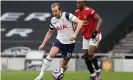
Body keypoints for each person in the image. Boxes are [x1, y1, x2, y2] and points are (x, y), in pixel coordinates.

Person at [35, 3, 83, 80]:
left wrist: (75, 34)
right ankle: (40, 76)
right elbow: (49, 32)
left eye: (56, 11)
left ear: (60, 10)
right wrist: (43, 44)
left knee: (63, 65)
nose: (54, 13)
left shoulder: (67, 15)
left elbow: (80, 22)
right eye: (53, 11)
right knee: (51, 55)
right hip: (59, 40)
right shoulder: (53, 20)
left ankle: (62, 70)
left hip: (69, 44)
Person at [75, 0, 103, 80]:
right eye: (77, 2)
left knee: (90, 53)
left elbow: (100, 20)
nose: (77, 4)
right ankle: (92, 74)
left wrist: (96, 31)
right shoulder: (76, 12)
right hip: (86, 36)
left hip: (94, 35)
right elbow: (77, 22)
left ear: (84, 3)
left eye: (79, 2)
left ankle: (98, 70)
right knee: (86, 56)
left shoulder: (89, 11)